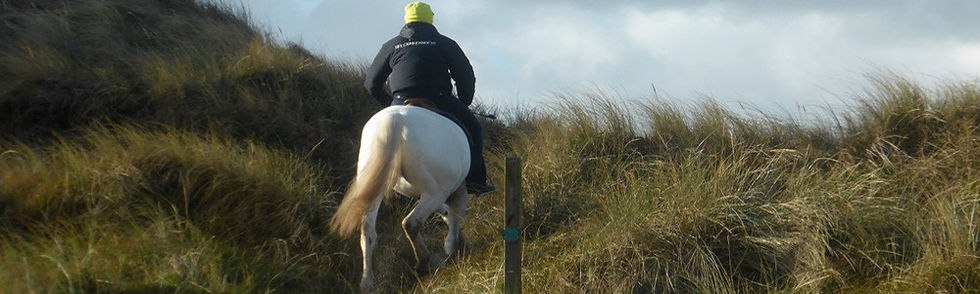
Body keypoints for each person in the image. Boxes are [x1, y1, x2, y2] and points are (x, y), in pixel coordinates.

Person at [364, 2, 494, 195]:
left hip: (400, 99)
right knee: (474, 128)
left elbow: (371, 84)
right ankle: (475, 182)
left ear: (407, 20)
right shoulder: (444, 43)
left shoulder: (391, 45)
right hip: (438, 98)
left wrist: (391, 105)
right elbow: (465, 76)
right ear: (430, 19)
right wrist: (464, 102)